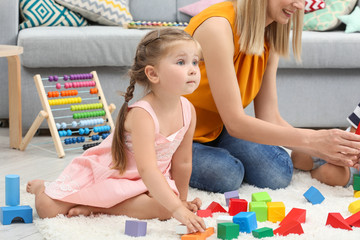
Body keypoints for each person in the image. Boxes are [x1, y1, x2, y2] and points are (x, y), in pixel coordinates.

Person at [26, 28, 206, 233]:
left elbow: (182, 162)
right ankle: (46, 188)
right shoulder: (142, 114)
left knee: (166, 208)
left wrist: (181, 201)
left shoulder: (188, 110)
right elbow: (148, 169)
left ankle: (97, 206)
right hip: (114, 174)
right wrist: (176, 208)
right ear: (153, 74)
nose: (193, 69)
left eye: (195, 62)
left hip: (146, 182)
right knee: (47, 208)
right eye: (181, 62)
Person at [183, 0, 360, 193]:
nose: (300, 6)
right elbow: (235, 123)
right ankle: (161, 163)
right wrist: (314, 140)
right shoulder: (218, 27)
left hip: (217, 130)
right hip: (176, 135)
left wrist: (323, 149)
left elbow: (269, 117)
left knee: (278, 173)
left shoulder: (271, 30)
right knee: (228, 174)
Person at [292, 102, 360, 187]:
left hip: (354, 167)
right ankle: (317, 162)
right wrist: (350, 152)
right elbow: (354, 131)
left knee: (329, 174)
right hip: (346, 147)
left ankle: (312, 174)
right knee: (298, 156)